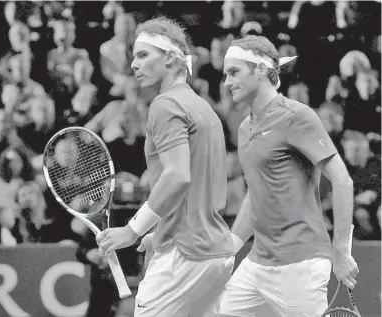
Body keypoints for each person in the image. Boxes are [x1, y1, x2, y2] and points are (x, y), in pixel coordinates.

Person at [96, 16, 235, 317]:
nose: (134, 65)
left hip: (183, 254)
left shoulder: (165, 104)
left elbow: (178, 176)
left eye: (144, 55)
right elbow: (197, 186)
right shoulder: (205, 109)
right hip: (216, 252)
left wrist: (132, 230)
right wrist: (157, 232)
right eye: (134, 56)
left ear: (171, 58)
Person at [218, 35, 359, 317]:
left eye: (234, 72)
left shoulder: (297, 116)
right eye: (225, 74)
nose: (226, 82)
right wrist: (230, 247)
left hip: (301, 265)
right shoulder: (245, 128)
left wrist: (341, 251)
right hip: (257, 263)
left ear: (260, 70)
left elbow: (343, 181)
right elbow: (255, 193)